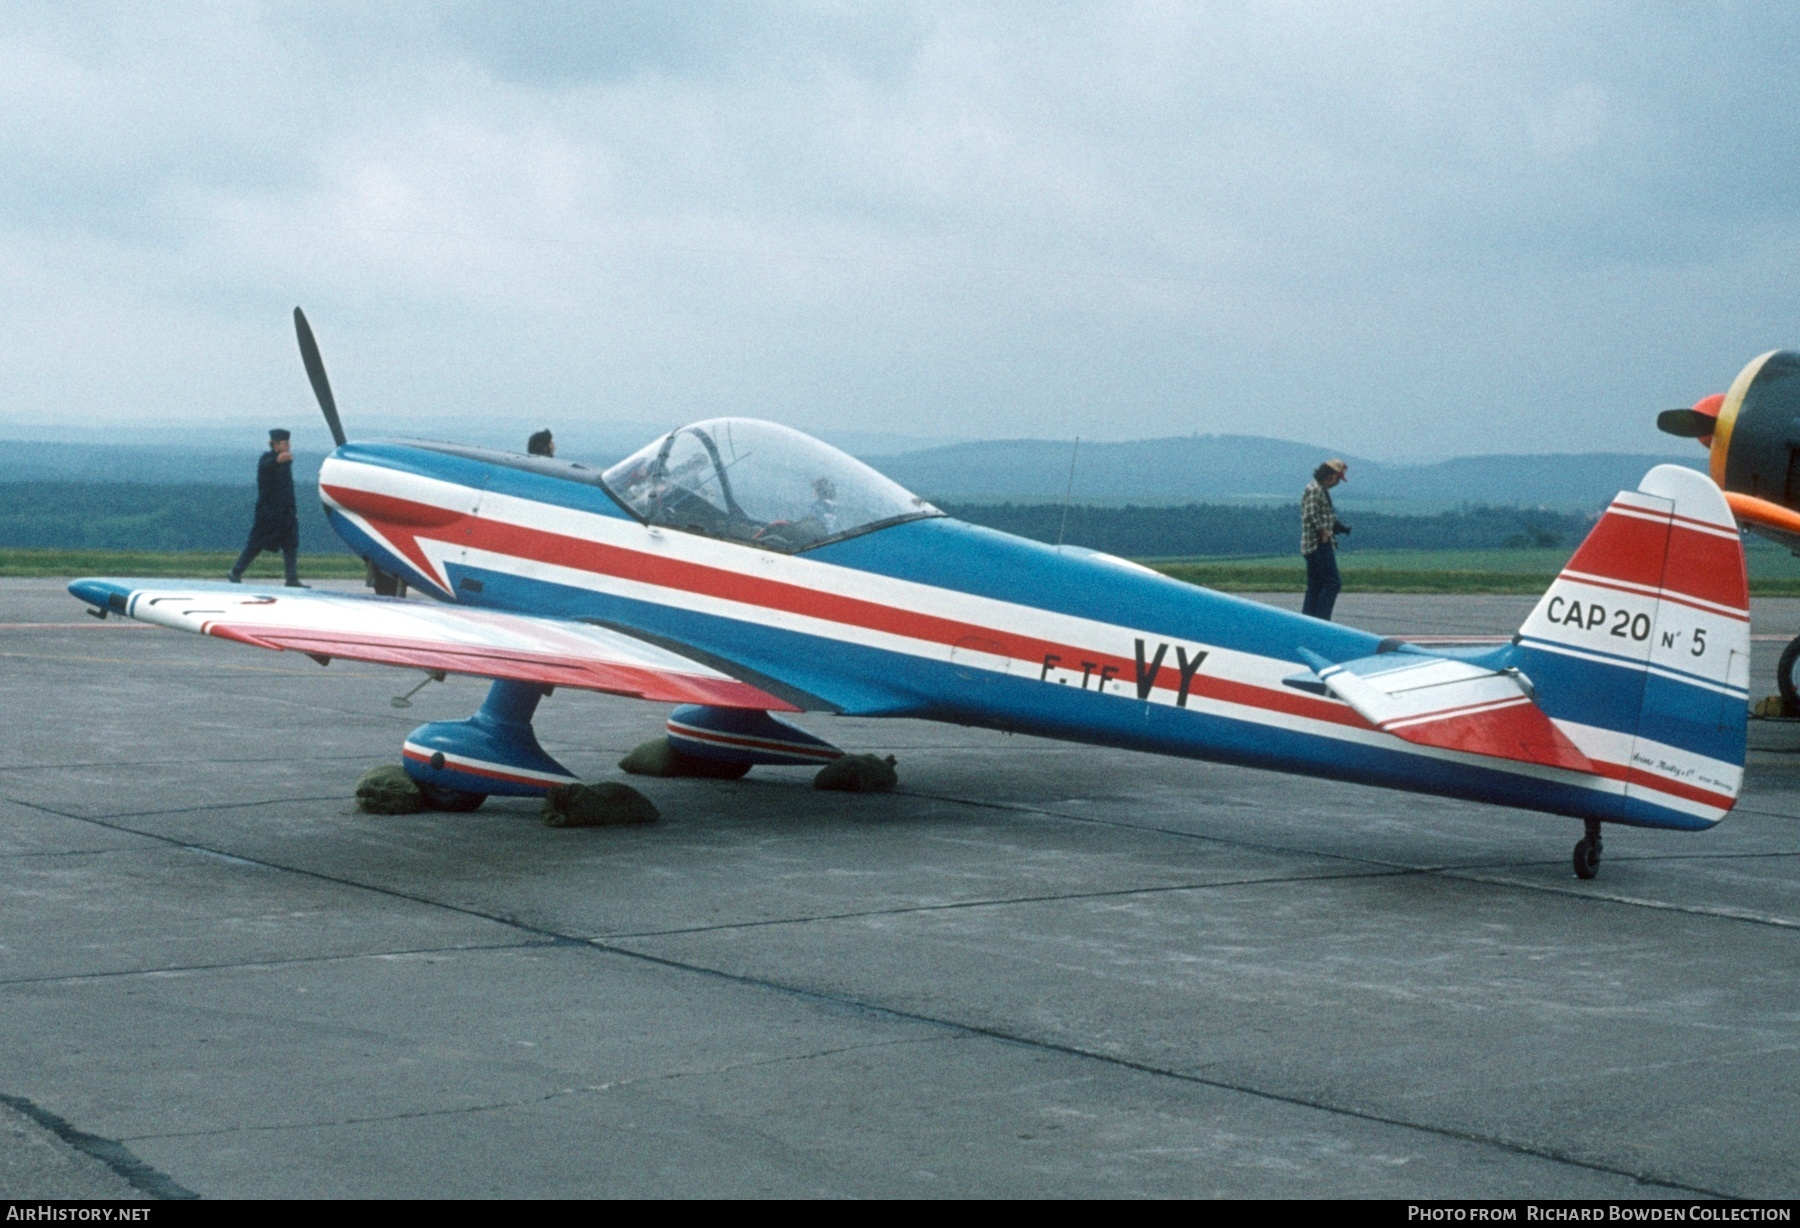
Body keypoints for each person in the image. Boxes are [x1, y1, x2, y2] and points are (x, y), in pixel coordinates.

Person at [228, 429, 305, 587]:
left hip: (286, 511)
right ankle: (236, 571)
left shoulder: (286, 462)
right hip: (268, 511)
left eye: (288, 443)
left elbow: (288, 488)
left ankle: (292, 578)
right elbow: (267, 464)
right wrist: (278, 460)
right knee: (256, 544)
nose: (288, 446)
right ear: (275, 444)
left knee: (291, 544)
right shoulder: (267, 459)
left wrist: (293, 510)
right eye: (284, 443)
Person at [1301, 458, 1350, 620]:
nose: (1336, 482)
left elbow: (1324, 514)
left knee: (1316, 586)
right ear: (1329, 475)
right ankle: (1322, 620)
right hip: (1317, 544)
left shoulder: (1321, 490)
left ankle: (1308, 622)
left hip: (1314, 545)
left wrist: (1338, 527)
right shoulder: (1315, 489)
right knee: (1332, 583)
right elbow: (1310, 514)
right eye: (1336, 478)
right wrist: (1323, 531)